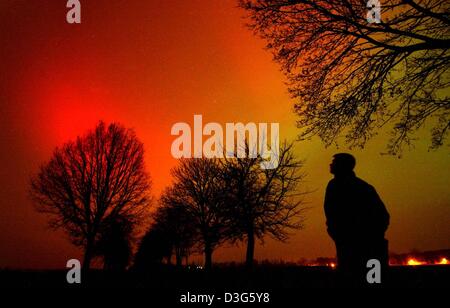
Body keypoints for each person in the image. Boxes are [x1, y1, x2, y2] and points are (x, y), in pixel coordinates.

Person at [324, 153, 390, 286]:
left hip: (362, 244)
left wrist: (371, 236)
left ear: (343, 166)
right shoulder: (362, 186)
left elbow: (382, 215)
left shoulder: (349, 187)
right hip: (354, 242)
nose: (331, 165)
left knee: (357, 279)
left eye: (335, 162)